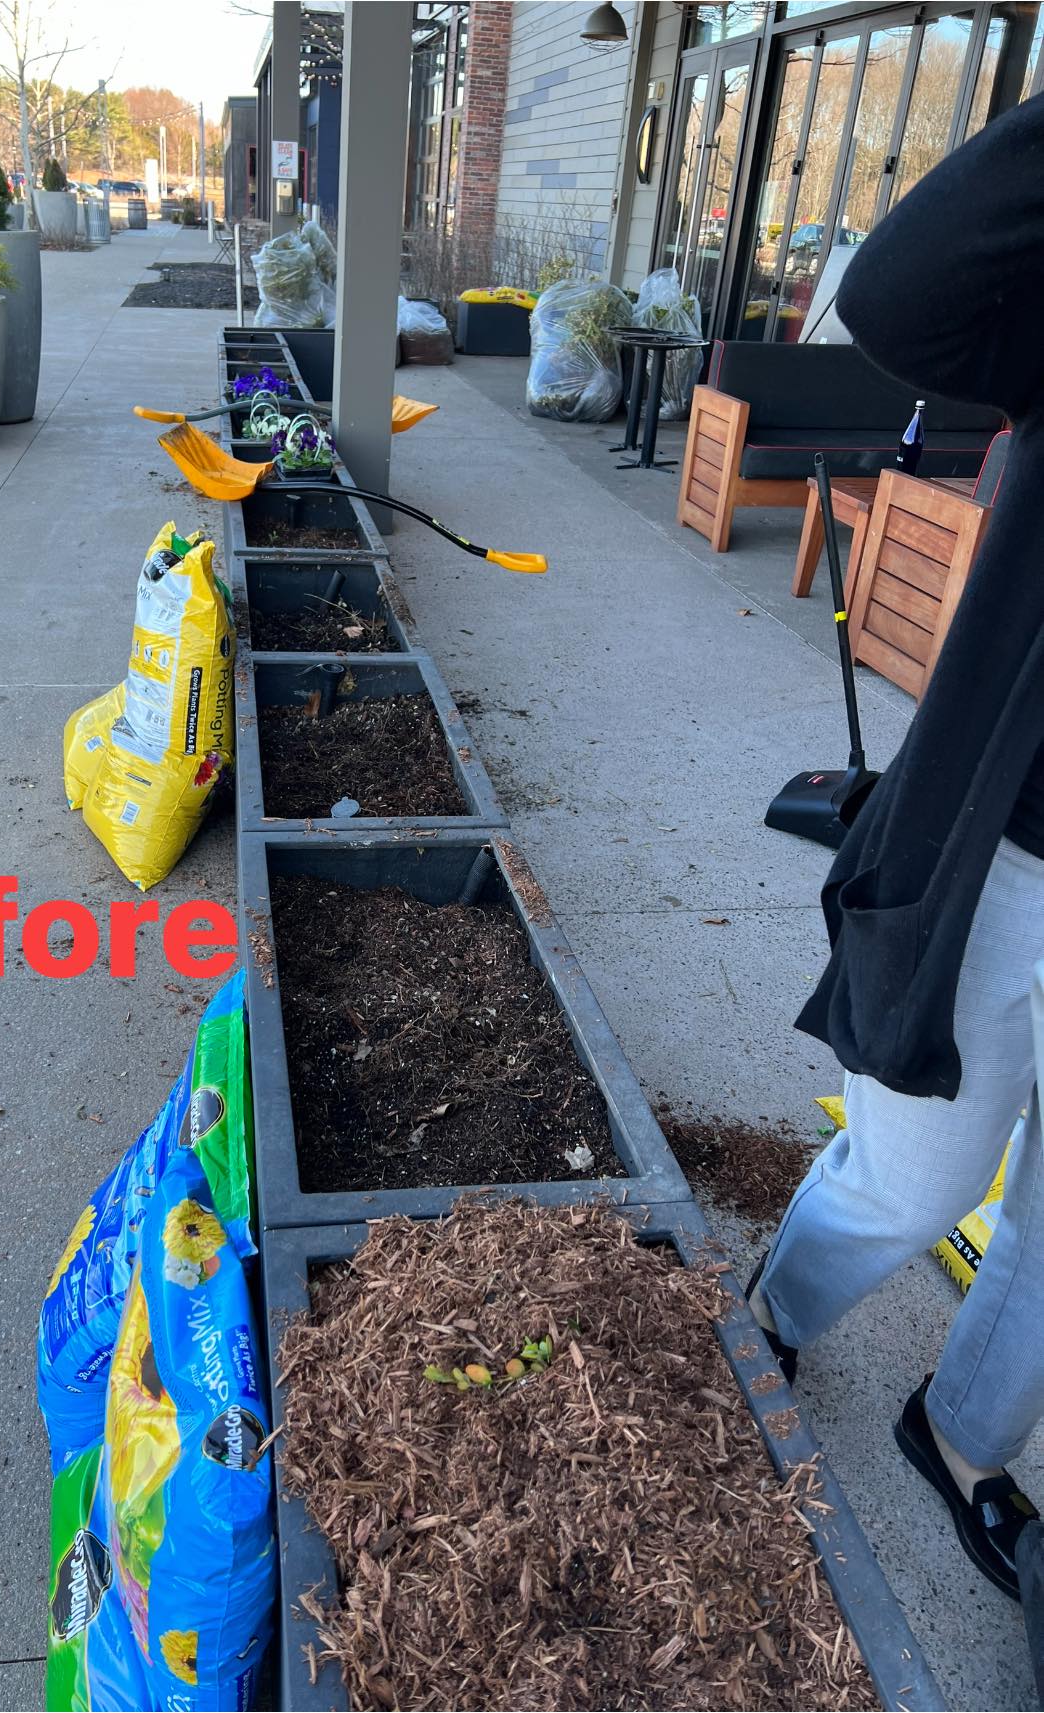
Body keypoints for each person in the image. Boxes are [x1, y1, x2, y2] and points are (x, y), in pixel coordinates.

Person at [747, 90, 1044, 1600]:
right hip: (1007, 856)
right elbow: (901, 297)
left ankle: (967, 1433)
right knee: (914, 1181)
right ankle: (762, 1325)